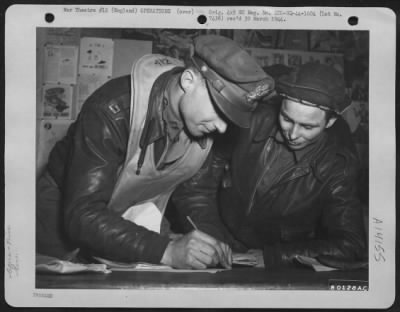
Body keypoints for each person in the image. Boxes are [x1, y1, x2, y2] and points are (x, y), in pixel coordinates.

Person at [36, 35, 274, 269]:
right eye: (221, 112)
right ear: (188, 80)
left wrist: (212, 243)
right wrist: (168, 251)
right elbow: (83, 214)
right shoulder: (112, 109)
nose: (222, 127)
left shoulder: (201, 120)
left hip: (130, 205)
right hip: (63, 207)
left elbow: (195, 194)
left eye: (229, 118)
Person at [172, 63, 367, 269]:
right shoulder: (247, 122)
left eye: (307, 127)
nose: (292, 133)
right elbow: (195, 190)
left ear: (330, 122)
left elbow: (350, 244)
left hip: (274, 263)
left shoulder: (338, 166)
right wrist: (214, 242)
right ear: (280, 105)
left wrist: (275, 256)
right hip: (219, 234)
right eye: (286, 118)